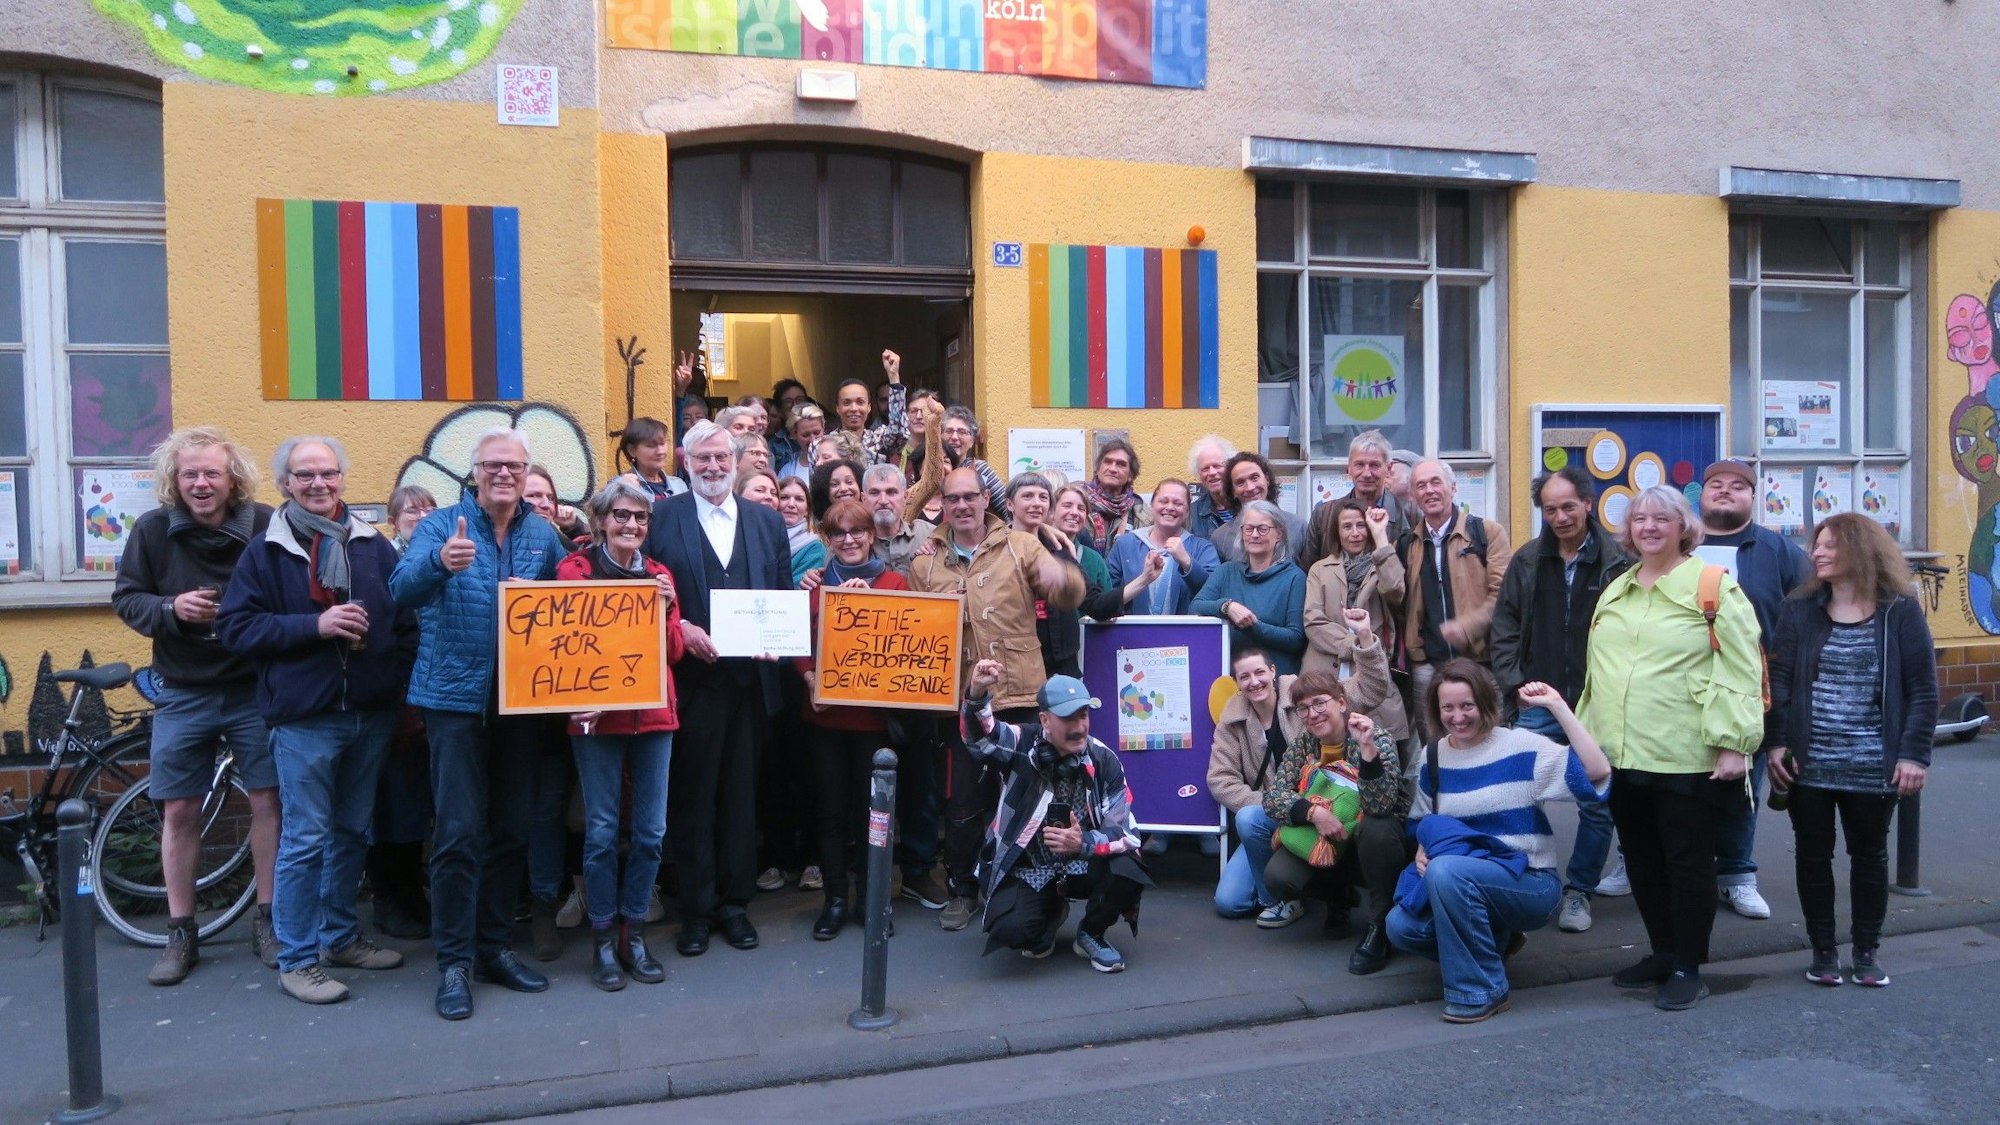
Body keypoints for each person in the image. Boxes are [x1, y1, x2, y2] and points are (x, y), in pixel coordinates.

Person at [216, 436, 418, 1004]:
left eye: (327, 474)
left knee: (353, 830)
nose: (318, 485)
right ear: (285, 484)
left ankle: (341, 937)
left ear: (342, 480)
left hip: (370, 714)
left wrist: (393, 685)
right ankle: (298, 959)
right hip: (305, 718)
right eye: (304, 476)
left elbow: (405, 624)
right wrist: (315, 627)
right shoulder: (267, 551)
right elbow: (236, 628)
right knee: (305, 838)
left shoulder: (373, 547)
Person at [390, 426, 569, 1020]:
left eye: (514, 467)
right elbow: (400, 590)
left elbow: (562, 620)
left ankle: (494, 948)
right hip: (454, 702)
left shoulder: (542, 534)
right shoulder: (442, 526)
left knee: (512, 829)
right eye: (493, 465)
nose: (504, 475)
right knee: (459, 833)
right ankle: (454, 964)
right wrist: (440, 564)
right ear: (475, 472)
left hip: (519, 704)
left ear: (526, 474)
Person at [1578, 485, 1763, 1012]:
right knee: (1641, 860)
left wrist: (1734, 744)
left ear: (1684, 527)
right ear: (1628, 530)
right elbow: (1600, 674)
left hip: (1686, 753)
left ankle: (1688, 965)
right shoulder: (1619, 587)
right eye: (1640, 519)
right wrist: (1589, 742)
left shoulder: (1711, 586)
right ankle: (1662, 951)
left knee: (1688, 864)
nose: (1649, 527)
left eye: (1662, 518)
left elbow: (1742, 669)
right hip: (1622, 751)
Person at [112, 427, 281, 986]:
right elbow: (127, 599)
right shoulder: (153, 530)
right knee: (179, 811)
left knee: (268, 801)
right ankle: (180, 932)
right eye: (190, 474)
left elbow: (291, 590)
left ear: (232, 477)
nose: (201, 483)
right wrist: (170, 608)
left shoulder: (263, 523)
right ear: (174, 480)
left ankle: (269, 920)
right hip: (184, 690)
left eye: (211, 472)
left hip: (254, 686)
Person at [641, 420, 794, 958]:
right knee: (693, 799)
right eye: (701, 459)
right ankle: (696, 912)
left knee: (741, 798)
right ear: (685, 462)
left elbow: (780, 594)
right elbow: (641, 591)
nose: (712, 467)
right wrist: (676, 626)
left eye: (721, 459)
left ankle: (735, 905)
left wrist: (780, 637)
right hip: (690, 684)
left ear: (736, 462)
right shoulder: (660, 518)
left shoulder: (766, 522)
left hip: (751, 683)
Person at [909, 466, 1084, 931]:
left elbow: (1063, 589)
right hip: (964, 700)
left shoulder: (1022, 545)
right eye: (953, 498)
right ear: (942, 504)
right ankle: (963, 889)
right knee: (964, 800)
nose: (962, 505)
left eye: (971, 496)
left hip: (1022, 692)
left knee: (1030, 795)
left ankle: (1027, 886)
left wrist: (1060, 575)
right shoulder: (925, 563)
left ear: (986, 499)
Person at [1387, 662, 1612, 1023]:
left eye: (1467, 706)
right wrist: (1421, 848)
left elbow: (1597, 773)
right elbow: (1419, 822)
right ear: (1436, 709)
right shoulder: (1434, 756)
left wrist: (1558, 707)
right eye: (1448, 707)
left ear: (1485, 704)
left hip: (1529, 882)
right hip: (1461, 877)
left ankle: (1482, 990)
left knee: (1447, 872)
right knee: (1401, 926)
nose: (1458, 717)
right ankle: (1495, 942)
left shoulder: (1522, 746)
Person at [1769, 514, 1937, 988]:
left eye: (1828, 546)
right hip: (1809, 761)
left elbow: (1923, 689)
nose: (1816, 553)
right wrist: (1777, 742)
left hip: (1873, 763)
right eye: (1816, 545)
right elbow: (1778, 681)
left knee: (1870, 857)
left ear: (1861, 551)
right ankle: (1823, 950)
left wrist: (1914, 754)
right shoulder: (1799, 609)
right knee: (1812, 856)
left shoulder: (1898, 611)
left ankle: (1866, 951)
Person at [1488, 465, 1632, 934]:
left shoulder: (1619, 562)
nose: (1561, 517)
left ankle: (1579, 891)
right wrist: (1514, 688)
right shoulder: (1528, 560)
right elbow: (1505, 631)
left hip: (1597, 704)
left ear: (1588, 504)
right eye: (1550, 509)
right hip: (1539, 701)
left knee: (1595, 799)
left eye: (1569, 506)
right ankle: (1524, 878)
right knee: (1516, 788)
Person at [554, 478, 684, 992]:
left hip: (653, 716)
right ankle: (603, 937)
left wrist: (669, 608)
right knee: (603, 830)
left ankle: (635, 932)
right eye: (622, 516)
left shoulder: (658, 574)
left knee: (651, 832)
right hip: (597, 720)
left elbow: (673, 653)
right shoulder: (575, 570)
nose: (631, 525)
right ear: (602, 520)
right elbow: (559, 641)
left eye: (640, 518)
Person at [960, 660, 1148, 972]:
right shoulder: (1022, 743)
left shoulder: (1104, 760)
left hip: (1082, 864)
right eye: (1067, 717)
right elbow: (981, 739)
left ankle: (1092, 933)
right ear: (1045, 719)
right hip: (1027, 867)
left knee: (1130, 866)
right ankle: (1048, 913)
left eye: (1083, 715)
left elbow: (1128, 833)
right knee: (1011, 930)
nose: (1079, 726)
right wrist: (978, 692)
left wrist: (1083, 843)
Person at [1698, 458, 1809, 921]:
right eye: (1715, 485)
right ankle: (1650, 867)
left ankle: (1738, 877)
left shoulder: (1778, 551)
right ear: (1700, 496)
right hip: (1682, 690)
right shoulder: (1682, 544)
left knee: (1743, 786)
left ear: (1753, 497)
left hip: (1753, 691)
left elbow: (1807, 613)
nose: (1725, 492)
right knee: (1670, 786)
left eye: (1737, 487)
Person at [795, 499, 911, 940]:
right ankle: (834, 899)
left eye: (857, 532)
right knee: (829, 812)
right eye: (839, 533)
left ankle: (872, 899)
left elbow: (908, 645)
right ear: (829, 539)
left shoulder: (895, 584)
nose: (849, 540)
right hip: (824, 720)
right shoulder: (813, 586)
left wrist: (873, 606)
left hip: (874, 723)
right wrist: (808, 678)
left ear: (871, 536)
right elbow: (797, 644)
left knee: (874, 815)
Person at [1258, 647, 1407, 974]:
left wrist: (1368, 754)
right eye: (1303, 708)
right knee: (1278, 877)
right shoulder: (1304, 744)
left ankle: (1378, 925)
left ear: (1341, 702)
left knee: (1376, 828)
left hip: (1369, 841)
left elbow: (1381, 806)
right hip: (1327, 834)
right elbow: (1273, 798)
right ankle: (1338, 897)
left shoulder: (1374, 737)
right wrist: (1314, 813)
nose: (1312, 714)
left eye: (1319, 703)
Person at [1404, 460, 1513, 743]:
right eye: (1421, 485)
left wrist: (1467, 626)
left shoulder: (1487, 533)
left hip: (1480, 660)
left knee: (1489, 741)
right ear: (1413, 496)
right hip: (1428, 664)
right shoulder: (1408, 543)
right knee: (1436, 746)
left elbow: (1503, 594)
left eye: (1436, 482)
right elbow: (1395, 595)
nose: (1429, 490)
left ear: (1453, 488)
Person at [372, 483, 436, 940]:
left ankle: (412, 896)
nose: (420, 515)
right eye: (410, 510)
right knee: (393, 805)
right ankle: (390, 901)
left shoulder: (441, 558)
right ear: (393, 521)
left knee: (416, 804)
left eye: (428, 508)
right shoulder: (385, 562)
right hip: (397, 695)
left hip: (433, 695)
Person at [1301, 497, 1409, 745]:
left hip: (1371, 671)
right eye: (1347, 527)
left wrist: (1381, 537)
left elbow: (1395, 590)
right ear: (1337, 532)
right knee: (1325, 746)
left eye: (1361, 526)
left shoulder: (1381, 564)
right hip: (1325, 669)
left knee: (1374, 747)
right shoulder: (1320, 568)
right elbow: (1314, 622)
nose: (1355, 533)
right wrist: (1357, 645)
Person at [1192, 500, 1308, 675]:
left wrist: (1251, 625)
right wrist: (1227, 607)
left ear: (1279, 534)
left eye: (1262, 529)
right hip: (1231, 679)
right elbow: (1195, 607)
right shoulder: (1226, 571)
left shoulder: (1294, 577)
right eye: (1249, 528)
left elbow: (1295, 638)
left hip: (1275, 681)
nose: (1254, 535)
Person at [1302, 431, 1418, 568]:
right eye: (1359, 465)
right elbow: (1308, 572)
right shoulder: (1324, 515)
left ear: (1388, 468)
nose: (1367, 474)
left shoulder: (1412, 515)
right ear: (1349, 468)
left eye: (1374, 465)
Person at [1105, 478, 1218, 615]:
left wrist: (1188, 563)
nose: (1170, 507)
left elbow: (1214, 594)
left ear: (1188, 511)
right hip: (1133, 633)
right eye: (1163, 501)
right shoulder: (1125, 545)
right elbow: (1107, 593)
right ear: (1152, 505)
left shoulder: (1203, 548)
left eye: (1178, 503)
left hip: (1184, 634)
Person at [1208, 452, 1305, 564]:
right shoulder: (1220, 538)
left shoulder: (1298, 527)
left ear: (1267, 479)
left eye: (1254, 478)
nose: (1250, 487)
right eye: (1240, 482)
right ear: (1233, 491)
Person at [831, 350, 908, 464]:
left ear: (869, 407)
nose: (853, 408)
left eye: (860, 402)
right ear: (837, 408)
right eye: (846, 403)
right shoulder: (823, 444)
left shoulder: (878, 440)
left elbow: (900, 434)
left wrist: (894, 377)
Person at [860, 463, 934, 576]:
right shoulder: (851, 541)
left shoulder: (929, 534)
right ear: (863, 499)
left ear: (905, 497)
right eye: (874, 493)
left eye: (891, 492)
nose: (883, 501)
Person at [938, 406, 1010, 517]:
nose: (954, 437)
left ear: (972, 441)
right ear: (940, 436)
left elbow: (1009, 509)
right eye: (949, 431)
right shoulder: (929, 469)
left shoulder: (980, 470)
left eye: (962, 432)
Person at [1081, 436, 1151, 548]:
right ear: (1098, 468)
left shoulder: (1141, 513)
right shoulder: (1078, 501)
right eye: (1108, 462)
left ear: (1130, 475)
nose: (1113, 469)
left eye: (1121, 464)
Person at [614, 417, 686, 502]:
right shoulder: (620, 487)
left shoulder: (678, 485)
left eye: (662, 444)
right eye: (651, 445)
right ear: (631, 450)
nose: (660, 451)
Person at [776, 475, 825, 585]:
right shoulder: (759, 538)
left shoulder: (814, 548)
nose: (791, 504)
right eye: (784, 497)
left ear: (807, 509)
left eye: (799, 499)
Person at [1187, 435, 1237, 541]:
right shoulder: (1192, 514)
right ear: (1199, 475)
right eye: (1205, 469)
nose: (1212, 472)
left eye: (1217, 466)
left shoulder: (1247, 504)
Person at [524, 464, 586, 543]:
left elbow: (594, 553)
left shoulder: (553, 540)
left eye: (550, 498)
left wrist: (574, 528)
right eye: (534, 496)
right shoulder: (505, 543)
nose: (546, 505)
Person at [778, 403, 828, 482]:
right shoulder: (787, 472)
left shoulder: (839, 460)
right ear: (794, 434)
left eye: (816, 433)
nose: (812, 439)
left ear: (824, 428)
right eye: (805, 435)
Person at [386, 485, 436, 554]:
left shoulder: (444, 555)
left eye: (429, 510)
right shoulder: (386, 558)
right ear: (394, 522)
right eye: (412, 511)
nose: (423, 516)